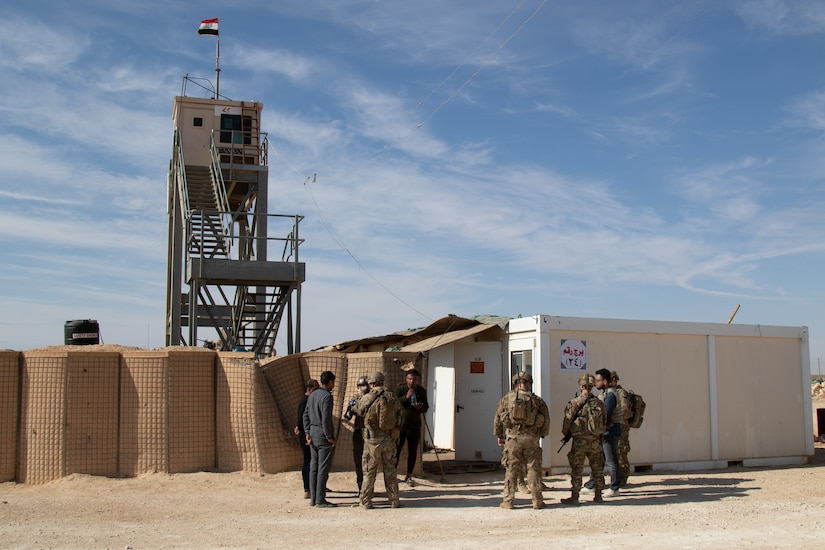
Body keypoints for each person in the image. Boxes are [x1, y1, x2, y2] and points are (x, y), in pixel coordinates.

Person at [492, 371, 550, 509]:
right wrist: (541, 434)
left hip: (513, 438)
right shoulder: (537, 400)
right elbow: (546, 419)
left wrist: (500, 436)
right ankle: (537, 501)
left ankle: (508, 501)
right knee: (534, 469)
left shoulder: (507, 399)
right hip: (532, 438)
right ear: (529, 383)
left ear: (515, 384)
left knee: (511, 469)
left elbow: (498, 418)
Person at [355, 371, 401, 509]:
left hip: (372, 440)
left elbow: (359, 411)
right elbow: (399, 415)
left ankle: (366, 501)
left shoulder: (367, 398)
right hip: (389, 439)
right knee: (391, 470)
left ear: (371, 383)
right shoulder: (392, 397)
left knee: (369, 471)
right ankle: (394, 500)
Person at [560, 373, 606, 505]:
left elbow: (567, 421)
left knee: (577, 469)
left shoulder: (575, 402)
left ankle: (575, 497)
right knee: (597, 469)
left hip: (580, 441)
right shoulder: (599, 403)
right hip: (595, 441)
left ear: (581, 386)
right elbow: (605, 421)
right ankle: (598, 496)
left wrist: (566, 434)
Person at [582, 368, 623, 497]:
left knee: (611, 460)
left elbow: (605, 415)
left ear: (605, 381)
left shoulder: (610, 395)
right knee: (599, 459)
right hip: (604, 432)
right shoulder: (605, 393)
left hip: (609, 431)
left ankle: (614, 487)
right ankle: (593, 483)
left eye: (598, 380)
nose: (596, 383)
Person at [302, 370, 337, 507]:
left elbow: (306, 415)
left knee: (314, 467)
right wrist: (330, 437)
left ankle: (313, 499)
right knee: (323, 468)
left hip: (313, 434)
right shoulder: (326, 397)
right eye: (333, 382)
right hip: (323, 435)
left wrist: (307, 432)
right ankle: (320, 500)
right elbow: (326, 419)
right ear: (329, 382)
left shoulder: (312, 395)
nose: (333, 385)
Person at [394, 367, 429, 486]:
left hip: (414, 425)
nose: (411, 382)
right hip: (400, 425)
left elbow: (426, 407)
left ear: (418, 380)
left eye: (414, 379)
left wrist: (420, 408)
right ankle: (392, 474)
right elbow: (394, 403)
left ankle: (409, 475)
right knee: (396, 450)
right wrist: (406, 397)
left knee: (412, 452)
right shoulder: (401, 388)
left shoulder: (421, 391)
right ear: (406, 379)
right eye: (409, 379)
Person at [344, 375, 370, 495]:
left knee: (367, 462)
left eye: (364, 385)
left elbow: (347, 416)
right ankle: (363, 487)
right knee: (361, 462)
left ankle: (365, 488)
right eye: (361, 385)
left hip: (367, 433)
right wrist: (354, 408)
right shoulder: (357, 399)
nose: (363, 388)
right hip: (362, 433)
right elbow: (347, 416)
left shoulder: (371, 399)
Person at [293, 379, 319, 499]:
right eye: (315, 388)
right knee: (308, 460)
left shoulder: (310, 399)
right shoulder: (305, 400)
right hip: (306, 434)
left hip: (308, 432)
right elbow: (301, 418)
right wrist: (302, 430)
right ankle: (307, 489)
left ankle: (317, 485)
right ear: (310, 389)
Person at [611, 370, 633, 486]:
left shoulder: (621, 393)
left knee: (621, 452)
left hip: (622, 428)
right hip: (615, 427)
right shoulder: (611, 392)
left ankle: (623, 478)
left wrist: (615, 418)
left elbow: (624, 410)